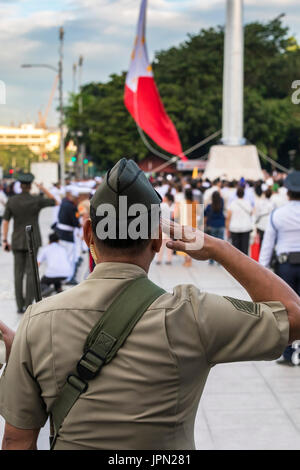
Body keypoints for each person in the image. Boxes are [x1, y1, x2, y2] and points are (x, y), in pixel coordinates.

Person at [0, 158, 299, 451]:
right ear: (157, 240)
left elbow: (17, 440)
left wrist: (27, 349)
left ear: (88, 233)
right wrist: (219, 248)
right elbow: (293, 315)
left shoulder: (37, 320)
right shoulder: (193, 313)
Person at [259, 171, 300, 365]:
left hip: (286, 267)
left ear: (288, 192)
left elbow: (268, 245)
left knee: (287, 311)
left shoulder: (278, 214)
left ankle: (288, 352)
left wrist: (261, 270)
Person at [1, 173, 58, 313]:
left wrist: (4, 240)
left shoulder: (12, 201)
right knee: (31, 272)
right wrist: (42, 188)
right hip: (33, 239)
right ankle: (29, 305)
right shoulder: (36, 200)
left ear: (20, 185)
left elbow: (6, 221)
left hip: (17, 240)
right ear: (30, 185)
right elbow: (55, 201)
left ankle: (19, 305)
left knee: (18, 273)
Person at [55, 187, 80, 285]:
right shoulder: (72, 207)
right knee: (70, 257)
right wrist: (79, 224)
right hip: (68, 234)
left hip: (59, 232)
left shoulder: (64, 203)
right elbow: (75, 222)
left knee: (62, 255)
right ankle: (68, 278)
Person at [226, 186, 253, 255]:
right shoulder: (248, 203)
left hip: (234, 228)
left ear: (236, 194)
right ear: (244, 194)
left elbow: (228, 217)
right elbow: (251, 213)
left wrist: (227, 228)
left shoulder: (232, 204)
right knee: (245, 250)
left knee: (235, 250)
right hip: (246, 228)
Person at [204, 191, 225, 265]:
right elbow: (222, 198)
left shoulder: (210, 206)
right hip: (221, 225)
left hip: (212, 226)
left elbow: (205, 215)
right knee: (221, 245)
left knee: (212, 245)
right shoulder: (221, 204)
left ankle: (211, 260)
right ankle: (220, 260)